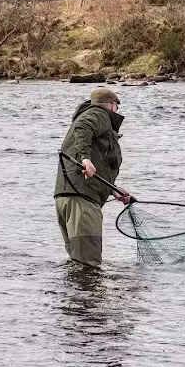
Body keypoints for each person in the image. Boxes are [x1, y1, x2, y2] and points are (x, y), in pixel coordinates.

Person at [54, 87, 133, 266]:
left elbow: (100, 162)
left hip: (69, 197)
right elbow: (83, 128)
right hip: (82, 200)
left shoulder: (90, 115)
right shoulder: (99, 114)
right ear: (112, 106)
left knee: (78, 264)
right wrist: (86, 159)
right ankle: (88, 295)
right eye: (117, 107)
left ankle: (77, 295)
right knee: (88, 266)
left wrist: (114, 190)